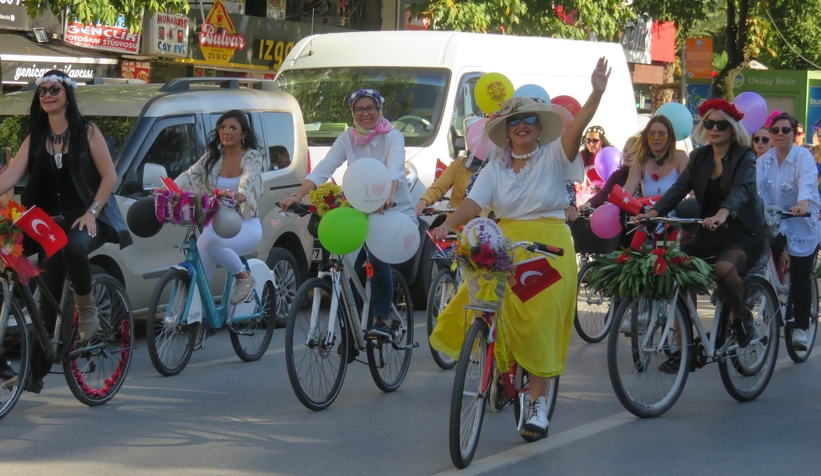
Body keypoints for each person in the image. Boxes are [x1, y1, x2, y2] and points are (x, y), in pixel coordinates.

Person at [430, 58, 611, 437]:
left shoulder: (555, 155)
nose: (522, 125)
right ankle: (498, 362)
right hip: (504, 241)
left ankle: (539, 404)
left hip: (548, 245)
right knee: (474, 302)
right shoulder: (495, 165)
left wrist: (595, 92)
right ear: (506, 131)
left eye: (529, 120)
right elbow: (474, 204)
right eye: (514, 121)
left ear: (540, 127)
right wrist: (447, 223)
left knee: (539, 317)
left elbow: (577, 127)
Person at [0, 70, 133, 393]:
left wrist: (92, 211)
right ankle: (33, 371)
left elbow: (109, 177)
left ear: (67, 94)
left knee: (74, 247)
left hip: (86, 218)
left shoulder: (87, 132)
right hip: (47, 223)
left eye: (54, 89)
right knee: (12, 255)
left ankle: (87, 309)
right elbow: (10, 176)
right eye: (42, 90)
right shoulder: (36, 137)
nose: (47, 94)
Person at [636, 98, 767, 359]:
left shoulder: (745, 155)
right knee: (680, 269)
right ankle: (685, 345)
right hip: (712, 229)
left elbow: (741, 190)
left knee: (723, 270)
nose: (714, 128)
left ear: (731, 129)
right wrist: (653, 212)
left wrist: (723, 212)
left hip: (743, 231)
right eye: (709, 123)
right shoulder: (699, 156)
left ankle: (741, 319)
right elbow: (679, 188)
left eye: (721, 124)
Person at [279, 88, 415, 338]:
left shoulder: (392, 137)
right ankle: (350, 325)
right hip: (358, 207)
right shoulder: (347, 138)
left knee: (377, 254)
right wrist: (298, 195)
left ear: (379, 110)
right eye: (359, 109)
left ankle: (382, 319)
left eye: (370, 108)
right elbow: (323, 168)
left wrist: (389, 194)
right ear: (353, 112)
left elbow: (395, 169)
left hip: (392, 209)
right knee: (341, 260)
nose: (365, 114)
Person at [175, 110, 265, 344]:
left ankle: (244, 277)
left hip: (244, 225)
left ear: (244, 133)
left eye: (233, 128)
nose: (227, 132)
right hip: (214, 223)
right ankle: (200, 322)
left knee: (212, 243)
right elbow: (188, 176)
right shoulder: (211, 158)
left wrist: (240, 194)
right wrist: (167, 190)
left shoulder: (252, 156)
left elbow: (249, 180)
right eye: (222, 127)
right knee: (199, 270)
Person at [756, 112, 820, 349]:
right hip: (776, 220)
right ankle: (767, 294)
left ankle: (801, 328)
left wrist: (802, 205)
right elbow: (756, 192)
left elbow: (807, 182)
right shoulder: (764, 161)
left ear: (795, 134)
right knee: (764, 250)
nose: (780, 134)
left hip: (804, 222)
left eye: (786, 130)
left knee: (801, 276)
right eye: (775, 130)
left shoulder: (803, 157)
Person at [622, 114, 689, 197]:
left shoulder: (680, 157)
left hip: (676, 209)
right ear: (646, 137)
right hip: (649, 210)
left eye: (661, 134)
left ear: (669, 137)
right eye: (652, 133)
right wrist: (612, 196)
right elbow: (628, 188)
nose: (656, 138)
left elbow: (690, 189)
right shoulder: (641, 161)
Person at [414, 153, 485, 216]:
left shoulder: (494, 169)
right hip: (456, 224)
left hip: (487, 225)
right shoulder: (458, 165)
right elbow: (440, 185)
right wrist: (424, 201)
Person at [574, 125, 611, 205]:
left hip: (607, 194)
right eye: (587, 140)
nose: (590, 143)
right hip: (588, 195)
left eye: (595, 140)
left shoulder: (610, 154)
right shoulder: (582, 156)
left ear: (602, 141)